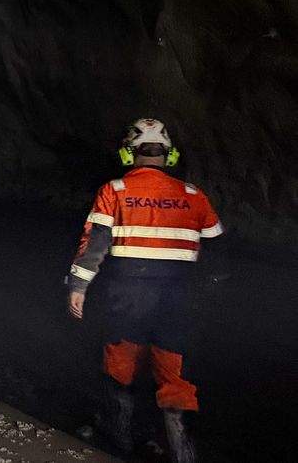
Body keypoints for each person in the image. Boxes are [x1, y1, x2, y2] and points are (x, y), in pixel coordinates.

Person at [66, 118, 222, 462]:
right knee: (175, 376)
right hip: (178, 299)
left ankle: (116, 439)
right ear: (170, 155)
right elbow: (216, 254)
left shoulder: (115, 191)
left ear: (128, 154)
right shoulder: (194, 196)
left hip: (126, 298)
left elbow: (94, 244)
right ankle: (183, 453)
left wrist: (78, 285)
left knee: (119, 366)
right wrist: (207, 298)